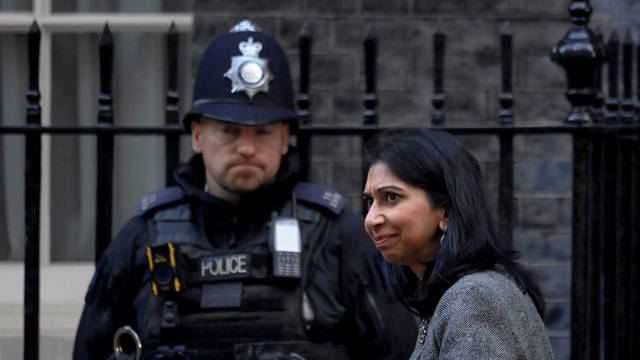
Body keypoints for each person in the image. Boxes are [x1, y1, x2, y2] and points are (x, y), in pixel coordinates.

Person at [73, 20, 417, 360]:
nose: (247, 148)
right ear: (197, 135)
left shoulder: (336, 234)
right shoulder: (145, 234)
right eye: (228, 131)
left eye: (263, 133)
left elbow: (399, 350)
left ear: (284, 138)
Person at [362, 129, 554, 360]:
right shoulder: (461, 291)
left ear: (445, 210)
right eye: (369, 201)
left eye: (391, 197)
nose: (371, 219)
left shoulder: (473, 297)